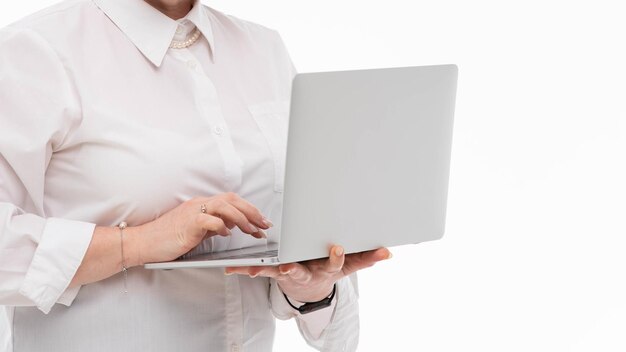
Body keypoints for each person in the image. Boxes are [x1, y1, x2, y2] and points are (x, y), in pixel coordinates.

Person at [0, 0, 392, 351]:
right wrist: (136, 243)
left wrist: (312, 284)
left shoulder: (264, 48)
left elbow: (330, 325)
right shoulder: (36, 50)